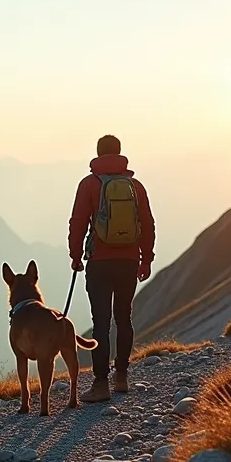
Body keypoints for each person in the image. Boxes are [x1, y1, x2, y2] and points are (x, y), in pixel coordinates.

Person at [67, 134, 155, 403]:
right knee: (124, 318)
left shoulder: (89, 184)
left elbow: (78, 222)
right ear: (119, 153)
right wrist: (146, 259)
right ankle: (122, 378)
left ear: (97, 154)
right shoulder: (135, 186)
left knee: (101, 323)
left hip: (99, 262)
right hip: (128, 262)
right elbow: (148, 224)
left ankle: (101, 383)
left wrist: (76, 255)